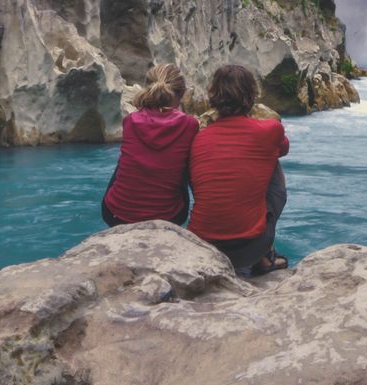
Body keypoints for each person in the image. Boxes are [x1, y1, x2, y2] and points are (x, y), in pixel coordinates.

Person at [188, 64, 290, 275]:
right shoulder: (270, 129)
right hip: (248, 249)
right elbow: (284, 148)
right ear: (252, 95)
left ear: (214, 96)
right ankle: (266, 256)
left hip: (201, 243)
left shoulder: (199, 138)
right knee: (272, 161)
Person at [101, 63, 199, 227]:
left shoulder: (131, 121)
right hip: (168, 217)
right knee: (183, 162)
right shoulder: (190, 125)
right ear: (181, 94)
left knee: (124, 162)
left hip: (115, 215)